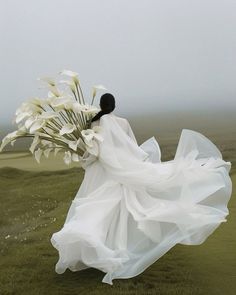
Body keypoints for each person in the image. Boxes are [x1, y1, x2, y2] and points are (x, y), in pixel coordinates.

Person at [50, 93, 232, 285]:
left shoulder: (94, 123)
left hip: (101, 172)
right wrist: (133, 166)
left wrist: (85, 157)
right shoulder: (122, 122)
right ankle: (114, 249)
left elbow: (94, 151)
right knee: (117, 209)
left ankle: (99, 248)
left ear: (100, 105)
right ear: (114, 105)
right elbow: (132, 146)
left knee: (100, 208)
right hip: (119, 168)